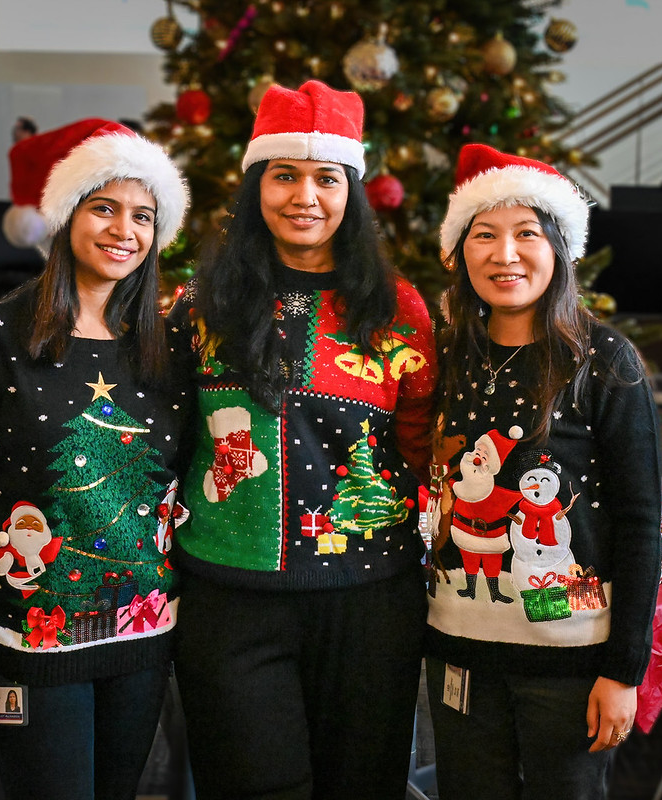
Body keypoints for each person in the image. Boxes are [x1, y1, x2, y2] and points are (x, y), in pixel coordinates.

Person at [167, 79, 438, 799]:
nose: (304, 196)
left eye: (326, 178)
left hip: (368, 598)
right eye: (284, 175)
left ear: (351, 190)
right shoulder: (199, 303)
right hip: (229, 597)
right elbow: (168, 434)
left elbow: (420, 444)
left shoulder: (397, 307)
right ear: (258, 183)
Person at [0, 118, 191, 800]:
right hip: (28, 643)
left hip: (142, 637)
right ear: (68, 211)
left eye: (143, 215)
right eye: (104, 207)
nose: (123, 231)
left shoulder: (167, 349)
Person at [424, 143, 662, 800]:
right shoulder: (445, 356)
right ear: (459, 252)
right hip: (459, 647)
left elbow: (643, 521)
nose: (505, 255)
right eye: (484, 235)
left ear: (560, 246)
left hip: (572, 659)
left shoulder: (604, 360)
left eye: (526, 233)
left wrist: (624, 670)